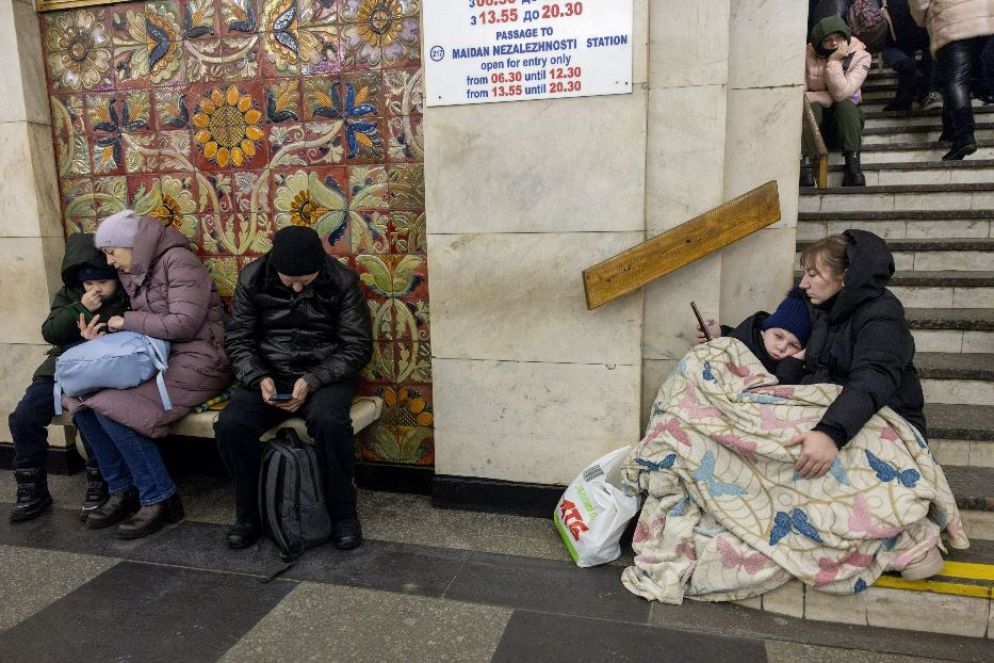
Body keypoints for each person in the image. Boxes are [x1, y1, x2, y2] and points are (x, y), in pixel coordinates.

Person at [62, 210, 231, 539]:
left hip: (200, 361)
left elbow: (183, 324)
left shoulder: (179, 262)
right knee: (80, 400)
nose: (109, 262)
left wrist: (126, 321)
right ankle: (122, 490)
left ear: (131, 244)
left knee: (113, 408)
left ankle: (160, 498)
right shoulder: (137, 270)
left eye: (112, 252)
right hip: (160, 356)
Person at [215, 226, 373, 551]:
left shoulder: (343, 281)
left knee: (330, 423)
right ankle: (249, 515)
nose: (298, 286)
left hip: (325, 375)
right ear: (275, 268)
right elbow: (238, 340)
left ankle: (344, 515)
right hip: (268, 373)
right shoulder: (253, 278)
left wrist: (313, 379)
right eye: (290, 282)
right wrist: (258, 377)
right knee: (232, 425)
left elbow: (356, 347)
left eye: (307, 280)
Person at [8, 233, 129, 523]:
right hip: (62, 367)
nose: (96, 289)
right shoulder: (71, 295)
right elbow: (50, 331)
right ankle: (31, 490)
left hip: (102, 372)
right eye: (89, 283)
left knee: (87, 415)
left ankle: (100, 484)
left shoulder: (126, 296)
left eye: (102, 282)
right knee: (23, 417)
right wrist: (81, 308)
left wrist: (97, 341)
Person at [910, 0, 994, 160]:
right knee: (968, 77)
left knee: (956, 80)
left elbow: (919, 4)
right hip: (987, 18)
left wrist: (922, 17)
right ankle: (949, 131)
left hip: (953, 22)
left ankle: (964, 137)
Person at [802, 14, 873, 187]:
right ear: (819, 41)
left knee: (846, 105)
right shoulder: (806, 54)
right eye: (829, 39)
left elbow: (842, 94)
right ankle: (806, 167)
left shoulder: (861, 56)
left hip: (846, 126)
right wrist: (822, 98)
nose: (835, 44)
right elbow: (798, 95)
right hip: (816, 128)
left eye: (839, 38)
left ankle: (853, 167)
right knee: (813, 107)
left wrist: (833, 62)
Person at [697, 288, 812, 383]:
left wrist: (793, 364)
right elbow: (738, 340)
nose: (782, 347)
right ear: (764, 331)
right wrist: (720, 333)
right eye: (778, 336)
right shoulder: (743, 337)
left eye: (793, 345)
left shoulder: (797, 367)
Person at [882, 0, 942, 112]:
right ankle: (929, 90)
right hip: (922, 15)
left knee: (893, 48)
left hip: (896, 17)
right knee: (931, 45)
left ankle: (908, 93)